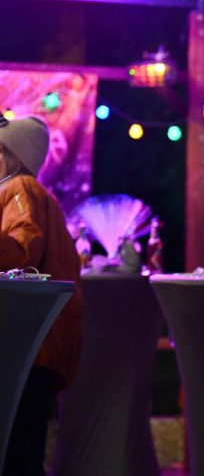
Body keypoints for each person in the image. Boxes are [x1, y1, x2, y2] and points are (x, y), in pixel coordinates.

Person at [0, 114, 83, 475]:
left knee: (18, 448)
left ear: (13, 156)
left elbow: (21, 254)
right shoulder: (29, 191)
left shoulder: (21, 189)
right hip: (39, 344)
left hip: (29, 345)